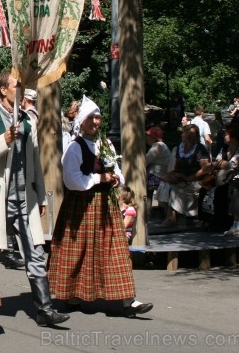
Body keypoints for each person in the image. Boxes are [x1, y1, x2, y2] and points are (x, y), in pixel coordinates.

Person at [0, 71, 68, 327]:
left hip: (24, 199)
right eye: (17, 86)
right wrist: (3, 141)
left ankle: (45, 310)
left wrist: (41, 195)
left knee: (35, 251)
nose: (21, 90)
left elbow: (35, 160)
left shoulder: (27, 120)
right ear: (3, 90)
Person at [49, 96, 153, 318]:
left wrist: (117, 178)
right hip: (82, 205)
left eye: (98, 117)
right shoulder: (74, 148)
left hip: (106, 206)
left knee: (116, 252)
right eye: (91, 118)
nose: (95, 121)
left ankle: (129, 300)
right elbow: (71, 179)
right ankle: (73, 294)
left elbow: (116, 167)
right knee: (79, 251)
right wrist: (99, 178)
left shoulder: (105, 143)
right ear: (82, 120)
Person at [159, 124, 209, 227]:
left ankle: (172, 218)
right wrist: (174, 175)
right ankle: (170, 215)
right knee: (165, 184)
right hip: (182, 178)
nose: (189, 136)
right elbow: (176, 167)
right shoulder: (180, 148)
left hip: (195, 180)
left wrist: (188, 178)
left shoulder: (200, 149)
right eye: (187, 133)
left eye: (192, 134)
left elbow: (205, 169)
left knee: (173, 188)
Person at [145, 126, 171, 210]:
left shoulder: (157, 146)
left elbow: (145, 161)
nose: (147, 138)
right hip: (163, 175)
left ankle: (146, 211)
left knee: (140, 181)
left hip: (158, 176)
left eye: (148, 136)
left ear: (153, 137)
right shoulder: (162, 145)